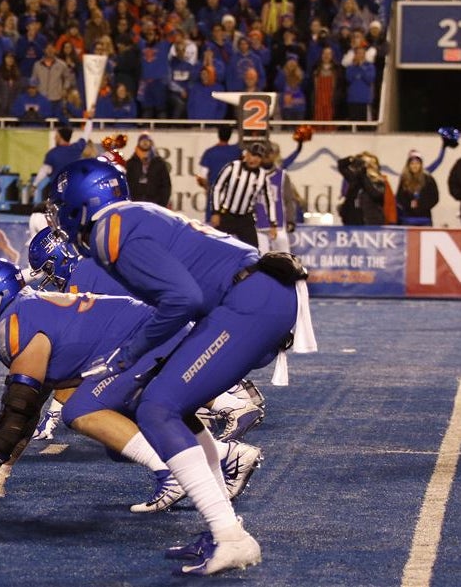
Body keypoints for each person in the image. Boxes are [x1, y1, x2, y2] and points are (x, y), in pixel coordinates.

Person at [49, 154, 305, 576]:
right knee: (170, 404)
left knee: (156, 407)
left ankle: (230, 537)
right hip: (256, 293)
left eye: (64, 206)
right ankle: (227, 528)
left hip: (250, 300)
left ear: (83, 202)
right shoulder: (132, 216)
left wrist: (129, 354)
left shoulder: (109, 231)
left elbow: (181, 299)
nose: (61, 217)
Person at [0, 259, 263, 515]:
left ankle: (172, 475)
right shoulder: (26, 309)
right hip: (157, 337)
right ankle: (228, 457)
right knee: (119, 444)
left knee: (81, 410)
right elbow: (32, 406)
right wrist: (2, 467)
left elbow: (18, 407)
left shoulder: (15, 326)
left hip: (151, 340)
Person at [210, 141, 277, 248]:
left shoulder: (262, 176)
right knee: (214, 246)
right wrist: (216, 212)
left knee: (253, 251)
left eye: (258, 157)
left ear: (261, 159)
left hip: (245, 218)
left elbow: (269, 200)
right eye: (252, 155)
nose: (254, 159)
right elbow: (217, 187)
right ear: (246, 155)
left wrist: (273, 223)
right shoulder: (232, 167)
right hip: (226, 215)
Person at [33, 125, 90, 204]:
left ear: (60, 137)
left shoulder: (52, 153)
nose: (54, 138)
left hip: (58, 191)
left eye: (56, 136)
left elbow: (44, 171)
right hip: (74, 190)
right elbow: (86, 135)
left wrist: (34, 184)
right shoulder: (76, 148)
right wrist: (90, 120)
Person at [198, 126, 240, 222]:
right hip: (233, 195)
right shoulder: (236, 151)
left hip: (214, 197)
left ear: (218, 135)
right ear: (230, 136)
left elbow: (202, 177)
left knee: (212, 229)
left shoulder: (210, 152)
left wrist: (207, 189)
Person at [396, 148, 444, 226]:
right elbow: (400, 197)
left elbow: (434, 197)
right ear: (408, 165)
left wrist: (422, 205)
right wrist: (409, 205)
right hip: (408, 218)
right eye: (412, 163)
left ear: (421, 164)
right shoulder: (404, 180)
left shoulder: (429, 179)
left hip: (425, 218)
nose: (415, 166)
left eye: (417, 163)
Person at [125, 134, 172, 208]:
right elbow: (127, 183)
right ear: (138, 143)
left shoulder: (159, 163)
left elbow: (166, 185)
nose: (145, 143)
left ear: (151, 143)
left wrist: (162, 204)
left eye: (147, 141)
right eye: (143, 141)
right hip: (135, 202)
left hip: (155, 203)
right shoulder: (132, 163)